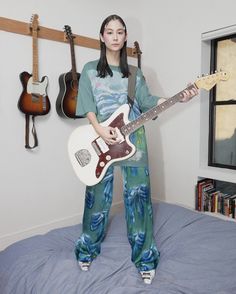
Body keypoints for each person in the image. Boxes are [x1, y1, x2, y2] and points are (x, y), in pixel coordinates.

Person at [74, 14, 197, 284]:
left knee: (138, 198)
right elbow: (87, 104)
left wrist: (180, 97)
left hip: (135, 141)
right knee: (96, 197)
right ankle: (86, 248)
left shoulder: (135, 74)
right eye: (110, 32)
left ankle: (145, 257)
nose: (115, 37)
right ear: (102, 36)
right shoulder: (90, 69)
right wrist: (99, 130)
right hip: (102, 140)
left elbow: (149, 102)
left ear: (125, 36)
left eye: (120, 32)